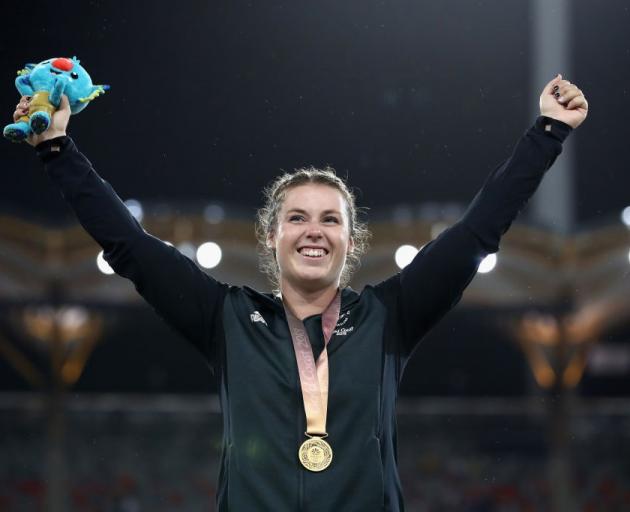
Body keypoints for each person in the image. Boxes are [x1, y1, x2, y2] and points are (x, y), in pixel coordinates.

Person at [12, 74, 588, 511]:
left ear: (350, 240)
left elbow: (476, 232)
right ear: (273, 236)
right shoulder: (225, 318)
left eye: (330, 220)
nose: (314, 230)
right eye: (297, 218)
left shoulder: (391, 316)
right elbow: (130, 247)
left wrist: (547, 132)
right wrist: (58, 150)